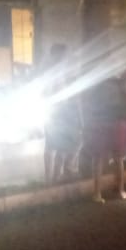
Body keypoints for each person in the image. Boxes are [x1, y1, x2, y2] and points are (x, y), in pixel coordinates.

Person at [82, 74, 126, 202]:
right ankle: (120, 191)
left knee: (97, 159)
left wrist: (87, 124)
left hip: (99, 123)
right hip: (118, 123)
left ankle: (97, 193)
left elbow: (87, 105)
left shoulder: (96, 84)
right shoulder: (121, 83)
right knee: (118, 158)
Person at [43, 43, 82, 184]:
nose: (65, 58)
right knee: (54, 145)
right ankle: (52, 176)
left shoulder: (60, 72)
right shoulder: (52, 74)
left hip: (60, 113)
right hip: (57, 113)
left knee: (60, 145)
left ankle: (55, 175)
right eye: (63, 55)